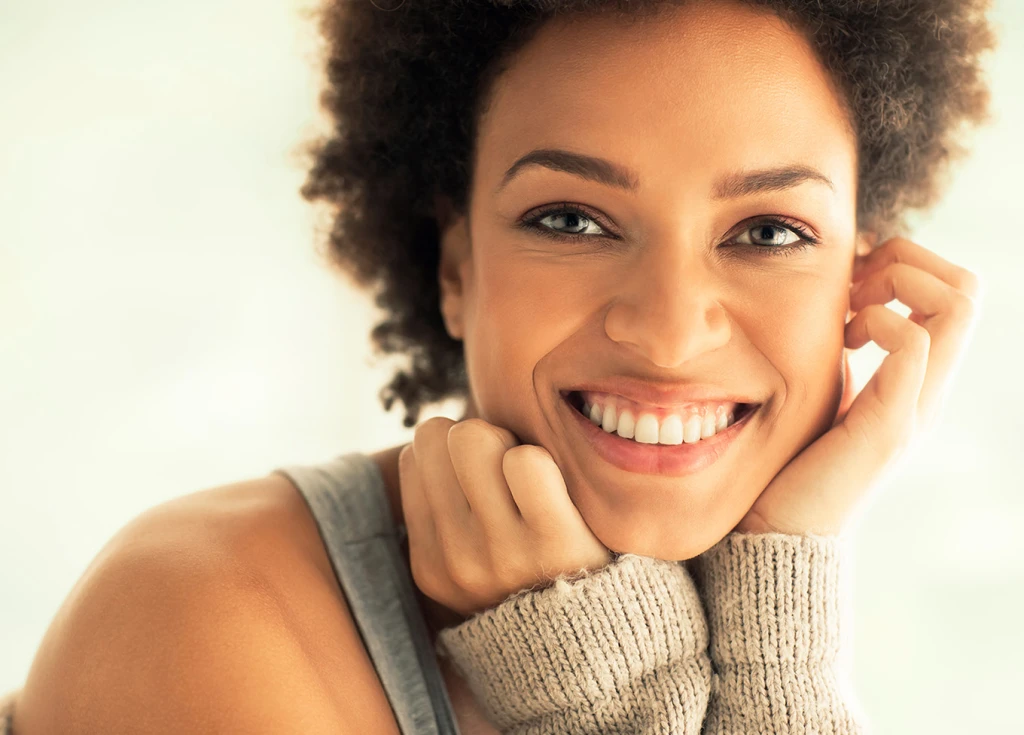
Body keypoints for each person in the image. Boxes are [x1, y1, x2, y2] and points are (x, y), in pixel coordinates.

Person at [5, 0, 996, 732]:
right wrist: (600, 694)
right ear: (454, 269)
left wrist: (783, 593)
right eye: (569, 220)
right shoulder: (208, 614)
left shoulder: (746, 619)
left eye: (769, 231)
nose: (667, 332)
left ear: (860, 292)